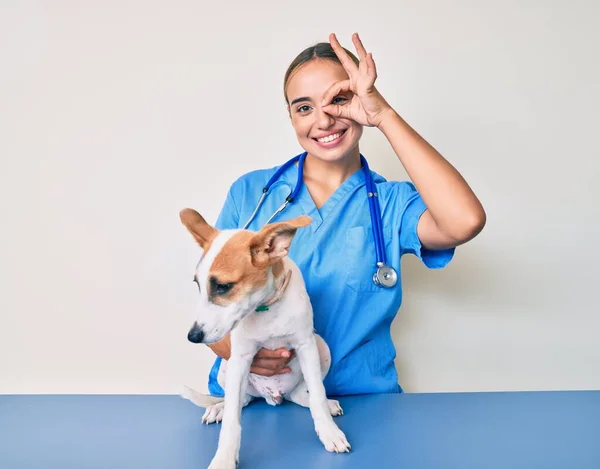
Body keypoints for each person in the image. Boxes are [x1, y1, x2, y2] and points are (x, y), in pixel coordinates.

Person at [203, 32, 486, 397]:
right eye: (304, 107)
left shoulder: (391, 203)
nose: (323, 121)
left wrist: (383, 115)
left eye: (338, 100)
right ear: (290, 116)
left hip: (362, 403)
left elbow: (465, 221)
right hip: (250, 400)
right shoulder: (251, 194)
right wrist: (236, 351)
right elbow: (211, 302)